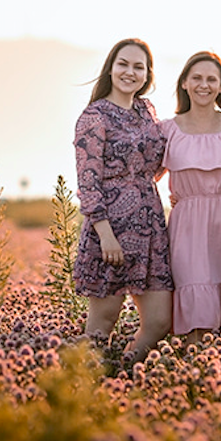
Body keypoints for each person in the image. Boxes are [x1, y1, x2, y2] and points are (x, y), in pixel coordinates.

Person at [74, 38, 174, 358]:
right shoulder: (94, 116)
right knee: (102, 323)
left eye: (138, 67)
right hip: (110, 231)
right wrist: (106, 235)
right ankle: (85, 388)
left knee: (159, 321)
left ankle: (124, 370)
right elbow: (87, 181)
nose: (130, 72)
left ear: (147, 74)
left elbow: (157, 163)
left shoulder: (147, 111)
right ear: (111, 69)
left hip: (150, 227)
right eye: (123, 64)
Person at [159, 51, 221, 345]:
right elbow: (142, 178)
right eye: (197, 78)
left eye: (211, 79)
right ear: (185, 84)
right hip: (187, 227)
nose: (204, 85)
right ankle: (192, 380)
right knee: (195, 306)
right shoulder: (166, 130)